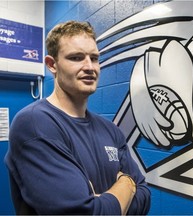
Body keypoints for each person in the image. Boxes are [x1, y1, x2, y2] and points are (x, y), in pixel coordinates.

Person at [5, 20, 151, 215]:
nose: (90, 67)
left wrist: (105, 202)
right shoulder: (35, 124)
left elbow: (145, 197)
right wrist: (127, 183)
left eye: (94, 58)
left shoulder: (110, 130)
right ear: (52, 64)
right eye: (76, 58)